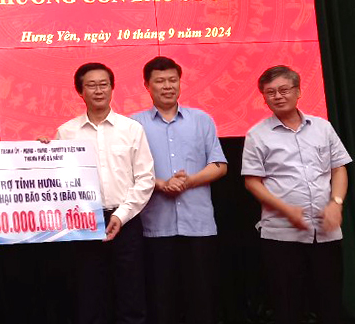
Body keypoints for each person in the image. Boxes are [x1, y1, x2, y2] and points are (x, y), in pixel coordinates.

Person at [242, 65, 352, 324]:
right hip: (281, 232)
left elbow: (339, 169)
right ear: (264, 98)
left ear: (298, 91)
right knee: (287, 305)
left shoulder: (322, 127)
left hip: (325, 231)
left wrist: (336, 203)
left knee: (330, 302)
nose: (278, 96)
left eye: (283, 89)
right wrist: (286, 209)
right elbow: (252, 182)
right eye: (270, 92)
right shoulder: (257, 134)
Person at [54, 62, 155, 324]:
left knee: (131, 294)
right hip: (83, 224)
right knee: (89, 295)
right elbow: (58, 182)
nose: (98, 90)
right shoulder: (66, 132)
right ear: (80, 91)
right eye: (91, 85)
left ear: (112, 88)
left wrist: (121, 215)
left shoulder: (131, 129)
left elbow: (145, 179)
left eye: (104, 84)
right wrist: (45, 152)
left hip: (126, 222)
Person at [131, 56, 227, 324]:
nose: (167, 86)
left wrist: (187, 181)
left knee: (203, 299)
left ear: (180, 82)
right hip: (155, 226)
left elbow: (219, 165)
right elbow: (126, 172)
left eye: (172, 80)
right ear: (147, 86)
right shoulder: (133, 124)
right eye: (159, 81)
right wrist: (161, 184)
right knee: (162, 301)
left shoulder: (201, 120)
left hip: (199, 224)